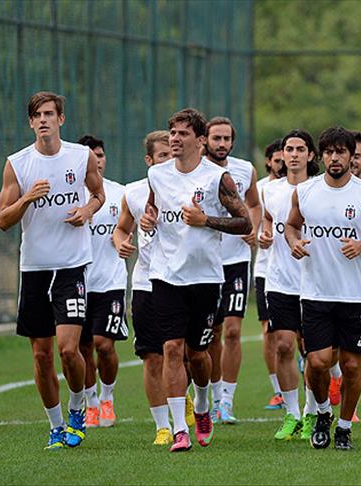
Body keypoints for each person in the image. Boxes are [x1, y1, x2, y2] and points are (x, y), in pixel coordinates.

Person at [0, 91, 105, 449]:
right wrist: (27, 198)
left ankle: (77, 407)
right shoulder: (18, 164)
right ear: (31, 123)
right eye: (37, 115)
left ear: (61, 119)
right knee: (41, 355)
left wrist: (86, 211)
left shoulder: (80, 156)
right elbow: (3, 220)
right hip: (34, 270)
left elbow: (98, 194)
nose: (43, 120)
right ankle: (56, 426)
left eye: (49, 114)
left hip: (71, 267)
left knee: (68, 350)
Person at [139, 108, 251, 452]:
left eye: (183, 133)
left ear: (200, 140)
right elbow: (153, 209)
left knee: (198, 353)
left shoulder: (218, 178)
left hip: (205, 277)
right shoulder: (156, 174)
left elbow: (245, 223)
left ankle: (202, 404)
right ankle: (179, 429)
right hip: (165, 275)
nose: (175, 138)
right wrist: (148, 219)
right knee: (171, 348)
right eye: (172, 132)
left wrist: (206, 221)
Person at [285, 126, 361, 450]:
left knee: (351, 364)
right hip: (315, 292)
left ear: (351, 156)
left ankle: (344, 427)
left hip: (354, 295)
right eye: (329, 152)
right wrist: (294, 242)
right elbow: (291, 226)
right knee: (317, 362)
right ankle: (322, 413)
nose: (335, 158)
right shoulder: (305, 191)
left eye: (341, 152)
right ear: (321, 156)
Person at [112, 130, 174, 445]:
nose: (169, 161)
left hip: (181, 282)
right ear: (149, 160)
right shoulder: (133, 193)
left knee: (183, 355)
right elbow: (121, 229)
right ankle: (163, 427)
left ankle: (187, 399)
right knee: (152, 356)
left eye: (172, 154)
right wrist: (122, 243)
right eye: (162, 156)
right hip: (146, 283)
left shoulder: (191, 188)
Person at [261, 129, 320, 440]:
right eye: (289, 149)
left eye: (300, 149)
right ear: (281, 155)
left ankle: (312, 411)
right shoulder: (271, 190)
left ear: (310, 155)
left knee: (312, 352)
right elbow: (269, 219)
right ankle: (292, 414)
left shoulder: (320, 189)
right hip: (279, 281)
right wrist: (265, 234)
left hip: (314, 282)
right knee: (283, 345)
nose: (294, 154)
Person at [202, 116, 262, 424]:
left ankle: (227, 401)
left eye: (227, 138)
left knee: (233, 331)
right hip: (205, 262)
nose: (222, 143)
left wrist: (253, 228)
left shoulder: (245, 169)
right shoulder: (197, 171)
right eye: (217, 138)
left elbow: (254, 204)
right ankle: (212, 398)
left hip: (236, 261)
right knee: (211, 333)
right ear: (205, 140)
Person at [76, 134, 128, 429]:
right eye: (91, 156)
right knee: (82, 347)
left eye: (100, 155)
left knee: (104, 345)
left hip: (111, 282)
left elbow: (130, 228)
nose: (97, 160)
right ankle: (91, 401)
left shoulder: (119, 193)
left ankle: (107, 397)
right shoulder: (71, 194)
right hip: (77, 283)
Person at [254, 139, 286, 410]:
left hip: (300, 271)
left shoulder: (306, 188)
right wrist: (260, 237)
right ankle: (278, 390)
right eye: (277, 160)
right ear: (268, 162)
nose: (282, 164)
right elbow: (257, 225)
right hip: (267, 270)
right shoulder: (261, 189)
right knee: (269, 331)